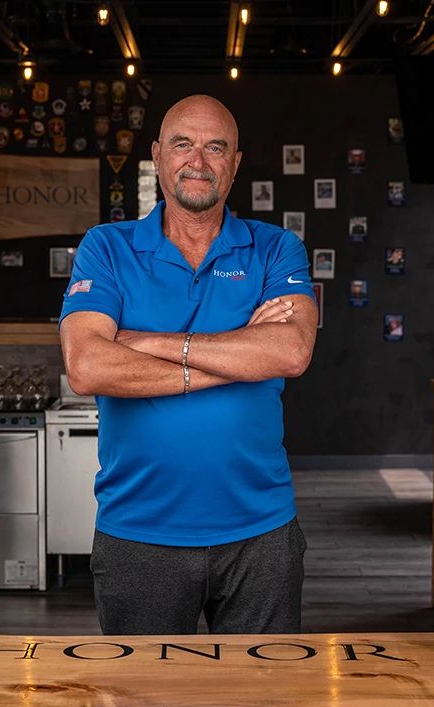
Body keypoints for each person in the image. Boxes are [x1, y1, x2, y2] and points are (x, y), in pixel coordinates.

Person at [59, 94, 318, 636]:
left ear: (236, 163)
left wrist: (147, 343)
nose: (198, 160)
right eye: (183, 143)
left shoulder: (276, 249)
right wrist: (242, 352)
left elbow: (290, 352)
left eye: (215, 147)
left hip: (261, 534)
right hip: (138, 534)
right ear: (158, 154)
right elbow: (86, 366)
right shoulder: (106, 248)